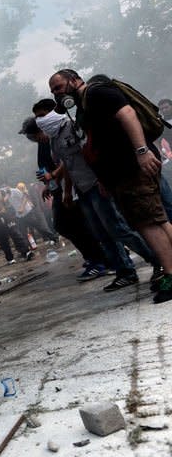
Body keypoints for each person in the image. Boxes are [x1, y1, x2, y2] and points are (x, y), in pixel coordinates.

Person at [49, 70, 172, 302]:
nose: (57, 93)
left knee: (150, 222)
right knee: (153, 220)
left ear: (75, 80)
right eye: (53, 91)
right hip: (119, 175)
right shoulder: (85, 106)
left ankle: (170, 274)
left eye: (59, 87)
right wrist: (104, 179)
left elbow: (128, 114)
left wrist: (142, 152)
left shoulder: (97, 93)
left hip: (132, 168)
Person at [22, 104, 162, 290]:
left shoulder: (73, 127)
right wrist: (66, 192)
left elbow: (93, 154)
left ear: (52, 112)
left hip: (96, 185)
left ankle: (157, 261)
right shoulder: (54, 139)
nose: (39, 120)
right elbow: (69, 166)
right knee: (102, 234)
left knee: (119, 229)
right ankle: (125, 272)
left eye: (42, 115)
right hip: (82, 190)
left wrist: (102, 179)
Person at [20, 100, 109, 281]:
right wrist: (48, 184)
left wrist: (54, 178)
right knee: (72, 225)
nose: (33, 139)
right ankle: (97, 257)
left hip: (69, 188)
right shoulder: (44, 143)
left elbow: (65, 163)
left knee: (69, 225)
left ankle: (98, 260)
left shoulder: (53, 137)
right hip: (59, 188)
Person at [0, 179, 33, 264]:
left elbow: (5, 198)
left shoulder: (1, 191)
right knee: (2, 239)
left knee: (15, 233)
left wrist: (7, 196)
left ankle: (26, 251)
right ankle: (10, 258)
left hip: (5, 216)